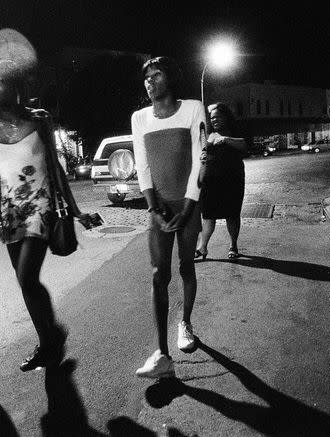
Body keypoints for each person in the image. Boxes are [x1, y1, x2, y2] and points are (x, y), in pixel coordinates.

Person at [0, 60, 93, 372]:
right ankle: (49, 341)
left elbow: (55, 167)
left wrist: (73, 209)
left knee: (27, 276)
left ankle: (51, 334)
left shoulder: (40, 120)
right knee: (25, 281)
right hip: (10, 212)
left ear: (16, 87)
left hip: (40, 206)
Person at [131, 56, 206, 379]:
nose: (149, 81)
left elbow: (201, 158)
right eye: (146, 77)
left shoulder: (193, 109)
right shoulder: (140, 118)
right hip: (158, 209)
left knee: (186, 266)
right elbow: (142, 165)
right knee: (158, 275)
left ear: (170, 78)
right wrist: (155, 207)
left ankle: (185, 324)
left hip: (187, 204)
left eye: (156, 75)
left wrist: (188, 208)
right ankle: (162, 354)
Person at [194, 102, 247, 260]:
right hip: (211, 181)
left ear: (225, 116)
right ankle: (202, 247)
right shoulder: (208, 134)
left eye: (217, 117)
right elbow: (202, 152)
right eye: (212, 118)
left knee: (232, 214)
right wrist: (202, 157)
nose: (214, 120)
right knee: (208, 215)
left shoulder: (236, 130)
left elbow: (245, 146)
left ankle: (233, 245)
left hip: (232, 179)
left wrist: (225, 139)